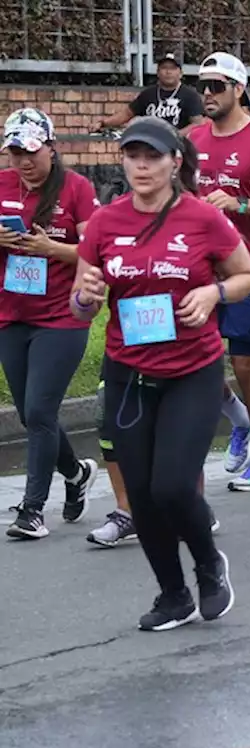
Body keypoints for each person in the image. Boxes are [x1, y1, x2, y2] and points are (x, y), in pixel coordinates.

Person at [70, 117, 250, 631]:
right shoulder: (106, 222)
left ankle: (208, 565)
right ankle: (173, 595)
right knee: (142, 493)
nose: (142, 166)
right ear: (123, 162)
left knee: (174, 486)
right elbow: (83, 303)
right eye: (133, 156)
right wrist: (85, 298)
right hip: (129, 371)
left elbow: (247, 275)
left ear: (176, 162)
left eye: (152, 156)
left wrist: (212, 293)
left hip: (191, 371)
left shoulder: (203, 219)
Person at [188, 51, 250, 493]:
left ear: (238, 89)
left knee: (246, 365)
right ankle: (240, 421)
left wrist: (239, 204)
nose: (206, 94)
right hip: (200, 271)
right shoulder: (192, 140)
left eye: (215, 86)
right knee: (198, 363)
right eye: (202, 86)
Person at [0, 109, 100, 539]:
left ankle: (33, 510)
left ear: (51, 147)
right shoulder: (2, 185)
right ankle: (76, 474)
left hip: (62, 315)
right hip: (11, 313)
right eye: (15, 152)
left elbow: (98, 252)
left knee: (41, 409)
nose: (23, 161)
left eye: (31, 151)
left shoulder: (76, 189)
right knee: (28, 411)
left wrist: (50, 249)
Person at [99, 52, 205, 134]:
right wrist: (103, 123)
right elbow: (127, 114)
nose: (168, 72)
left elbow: (197, 124)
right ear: (158, 72)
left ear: (181, 73)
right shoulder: (148, 94)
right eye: (164, 68)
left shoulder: (190, 95)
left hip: (180, 148)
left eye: (172, 68)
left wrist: (177, 135)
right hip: (151, 147)